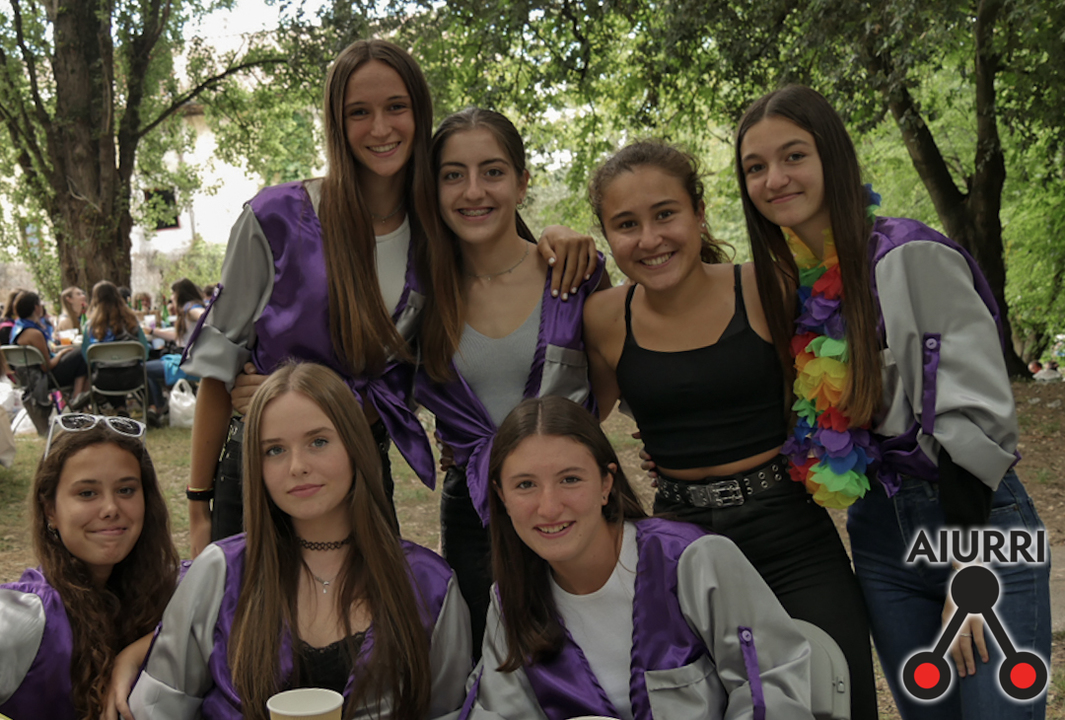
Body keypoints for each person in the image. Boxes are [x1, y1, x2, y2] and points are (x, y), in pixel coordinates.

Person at [186, 39, 592, 557]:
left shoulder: (439, 229)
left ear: (419, 114)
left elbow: (504, 250)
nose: (380, 128)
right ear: (336, 123)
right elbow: (219, 370)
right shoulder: (277, 218)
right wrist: (198, 505)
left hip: (364, 468)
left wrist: (559, 236)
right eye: (359, 112)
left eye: (396, 107)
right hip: (265, 469)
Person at [735, 84, 1051, 720]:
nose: (774, 179)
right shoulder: (788, 285)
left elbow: (975, 416)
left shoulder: (909, 256)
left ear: (832, 157)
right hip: (880, 535)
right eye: (755, 166)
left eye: (793, 156)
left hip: (973, 521)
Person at [581, 140, 877, 719]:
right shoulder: (603, 318)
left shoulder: (767, 285)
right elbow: (576, 424)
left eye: (665, 214)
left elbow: (828, 379)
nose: (650, 238)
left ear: (698, 212)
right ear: (607, 235)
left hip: (789, 534)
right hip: (680, 540)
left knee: (837, 696)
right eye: (626, 224)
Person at [129, 362, 472, 720]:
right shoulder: (218, 574)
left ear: (355, 446)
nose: (297, 466)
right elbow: (158, 708)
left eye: (318, 442)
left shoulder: (429, 585)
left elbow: (447, 711)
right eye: (274, 450)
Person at [461, 396, 813, 720]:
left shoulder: (691, 562)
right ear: (501, 496)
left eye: (570, 479)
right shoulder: (510, 602)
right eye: (525, 485)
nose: (549, 507)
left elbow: (772, 685)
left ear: (606, 484)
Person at [414, 107, 607, 653]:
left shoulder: (572, 273)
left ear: (521, 183)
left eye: (493, 171)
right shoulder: (421, 293)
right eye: (453, 174)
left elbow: (612, 372)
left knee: (590, 652)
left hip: (570, 497)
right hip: (473, 509)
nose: (474, 190)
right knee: (492, 658)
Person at [0, 415, 181, 720]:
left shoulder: (166, 586)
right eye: (87, 493)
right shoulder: (25, 618)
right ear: (50, 510)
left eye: (126, 490)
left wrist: (134, 654)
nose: (111, 508)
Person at [82, 280, 161, 417]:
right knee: (140, 371)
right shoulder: (132, 321)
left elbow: (87, 357)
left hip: (103, 380)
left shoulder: (90, 326)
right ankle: (151, 408)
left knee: (108, 371)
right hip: (132, 377)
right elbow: (144, 352)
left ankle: (120, 409)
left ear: (95, 300)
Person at [12, 290, 90, 402]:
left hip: (26, 377)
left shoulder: (17, 329)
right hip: (43, 378)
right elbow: (47, 366)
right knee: (81, 353)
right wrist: (61, 353)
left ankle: (77, 397)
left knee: (77, 357)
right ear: (36, 308)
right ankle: (77, 398)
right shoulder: (34, 333)